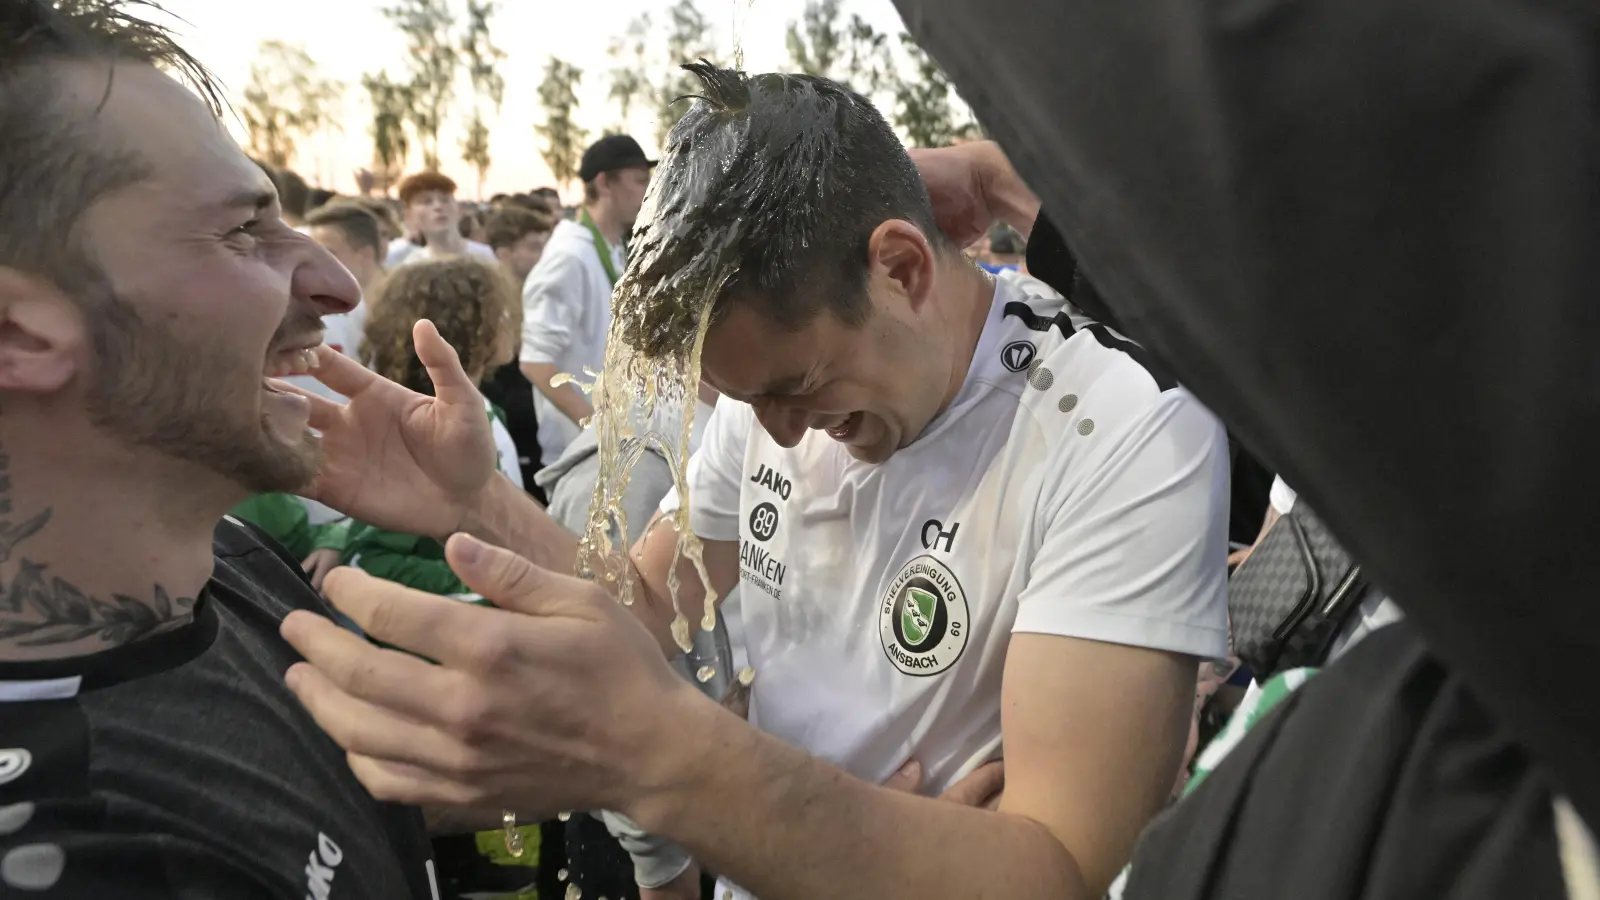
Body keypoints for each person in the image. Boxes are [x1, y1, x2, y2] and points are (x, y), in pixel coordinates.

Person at [280, 64, 1230, 900]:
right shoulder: (765, 389)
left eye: (797, 385)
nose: (774, 430)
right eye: (742, 398)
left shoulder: (1121, 424)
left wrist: (673, 760)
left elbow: (1052, 870)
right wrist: (474, 499)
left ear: (899, 267)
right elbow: (647, 602)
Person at [0, 2, 436, 896]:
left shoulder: (223, 561)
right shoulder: (78, 857)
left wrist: (480, 515)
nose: (338, 284)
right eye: (243, 231)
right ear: (18, 331)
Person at [343, 257, 526, 594]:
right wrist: (480, 583)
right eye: (498, 314)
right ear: (466, 328)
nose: (511, 322)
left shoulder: (487, 410)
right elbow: (373, 558)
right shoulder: (425, 434)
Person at [520, 133, 654, 466]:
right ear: (605, 183)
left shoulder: (608, 248)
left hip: (612, 449)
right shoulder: (570, 256)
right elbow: (536, 363)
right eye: (640, 180)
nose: (649, 191)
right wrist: (598, 428)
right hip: (581, 456)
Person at [385, 171, 496, 269]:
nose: (438, 207)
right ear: (408, 216)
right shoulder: (411, 266)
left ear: (458, 209)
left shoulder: (485, 257)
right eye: (426, 202)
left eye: (445, 200)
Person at [485, 204, 557, 286]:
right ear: (504, 254)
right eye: (534, 248)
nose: (545, 255)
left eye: (546, 247)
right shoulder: (483, 295)